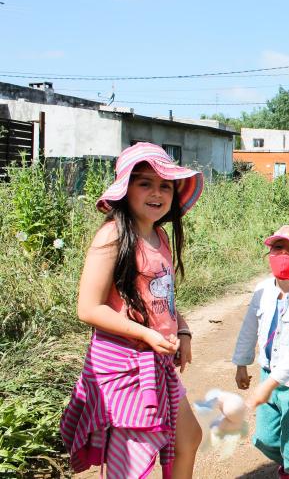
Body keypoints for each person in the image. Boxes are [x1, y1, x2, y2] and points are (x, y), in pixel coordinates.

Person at [60, 142, 204, 478]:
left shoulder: (159, 236)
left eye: (165, 185)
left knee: (188, 438)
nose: (157, 193)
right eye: (145, 183)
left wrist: (181, 330)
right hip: (124, 366)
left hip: (156, 361)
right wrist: (146, 334)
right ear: (125, 189)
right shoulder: (112, 236)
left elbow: (162, 299)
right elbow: (88, 308)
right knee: (130, 467)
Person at [233, 225, 289, 479]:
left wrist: (268, 385)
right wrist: (242, 363)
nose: (284, 254)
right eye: (278, 247)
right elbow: (249, 328)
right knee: (265, 438)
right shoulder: (263, 290)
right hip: (268, 372)